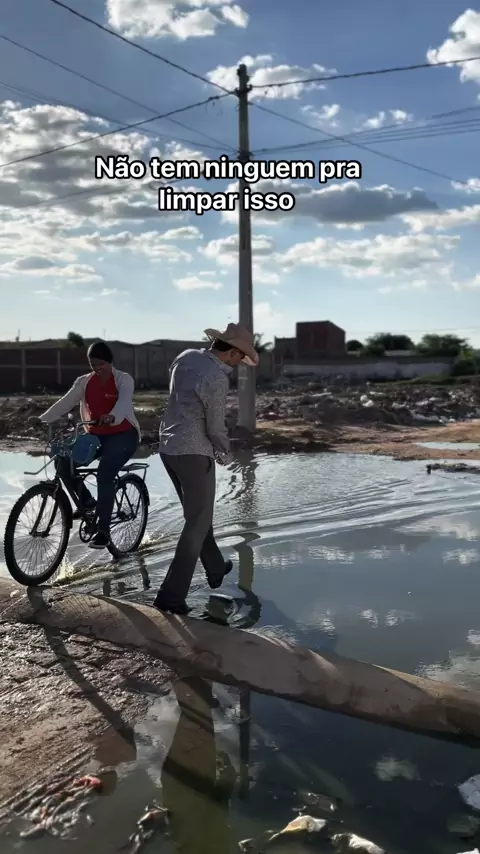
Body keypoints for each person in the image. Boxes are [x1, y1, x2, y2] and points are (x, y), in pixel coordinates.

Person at [154, 323, 259, 615]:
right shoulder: (216, 376)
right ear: (233, 352)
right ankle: (170, 597)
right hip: (194, 452)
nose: (239, 364)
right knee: (197, 523)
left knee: (197, 516)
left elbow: (179, 398)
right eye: (240, 358)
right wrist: (226, 452)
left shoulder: (185, 357)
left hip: (168, 447)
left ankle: (214, 567)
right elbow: (214, 426)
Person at [36, 341, 140, 550]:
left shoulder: (123, 379)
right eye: (93, 364)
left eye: (101, 364)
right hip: (95, 435)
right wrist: (43, 419)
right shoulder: (84, 382)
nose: (98, 368)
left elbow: (124, 404)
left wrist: (112, 416)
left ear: (110, 361)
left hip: (123, 435)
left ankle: (103, 532)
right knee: (63, 463)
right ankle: (88, 503)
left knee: (105, 474)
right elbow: (66, 402)